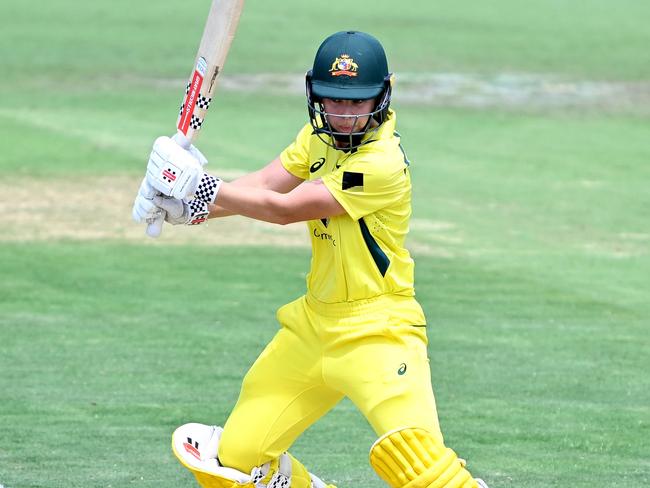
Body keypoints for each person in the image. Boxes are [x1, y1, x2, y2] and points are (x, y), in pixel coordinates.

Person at [133, 31, 490, 488]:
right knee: (233, 464)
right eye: (332, 101)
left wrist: (199, 186)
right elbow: (264, 186)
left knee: (424, 472)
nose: (343, 115)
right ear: (313, 94)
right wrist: (189, 209)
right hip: (312, 329)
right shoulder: (315, 139)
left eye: (357, 102)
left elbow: (286, 210)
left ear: (383, 94)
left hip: (380, 333)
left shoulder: (382, 163)